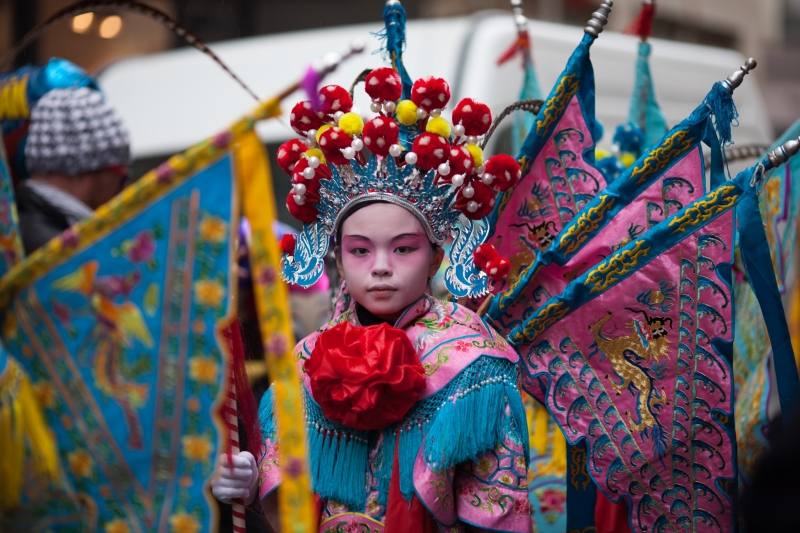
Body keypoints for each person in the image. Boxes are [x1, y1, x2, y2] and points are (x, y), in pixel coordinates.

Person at [16, 86, 130, 254]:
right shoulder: (62, 253)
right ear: (81, 169)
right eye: (121, 176)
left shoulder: (20, 229)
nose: (124, 190)